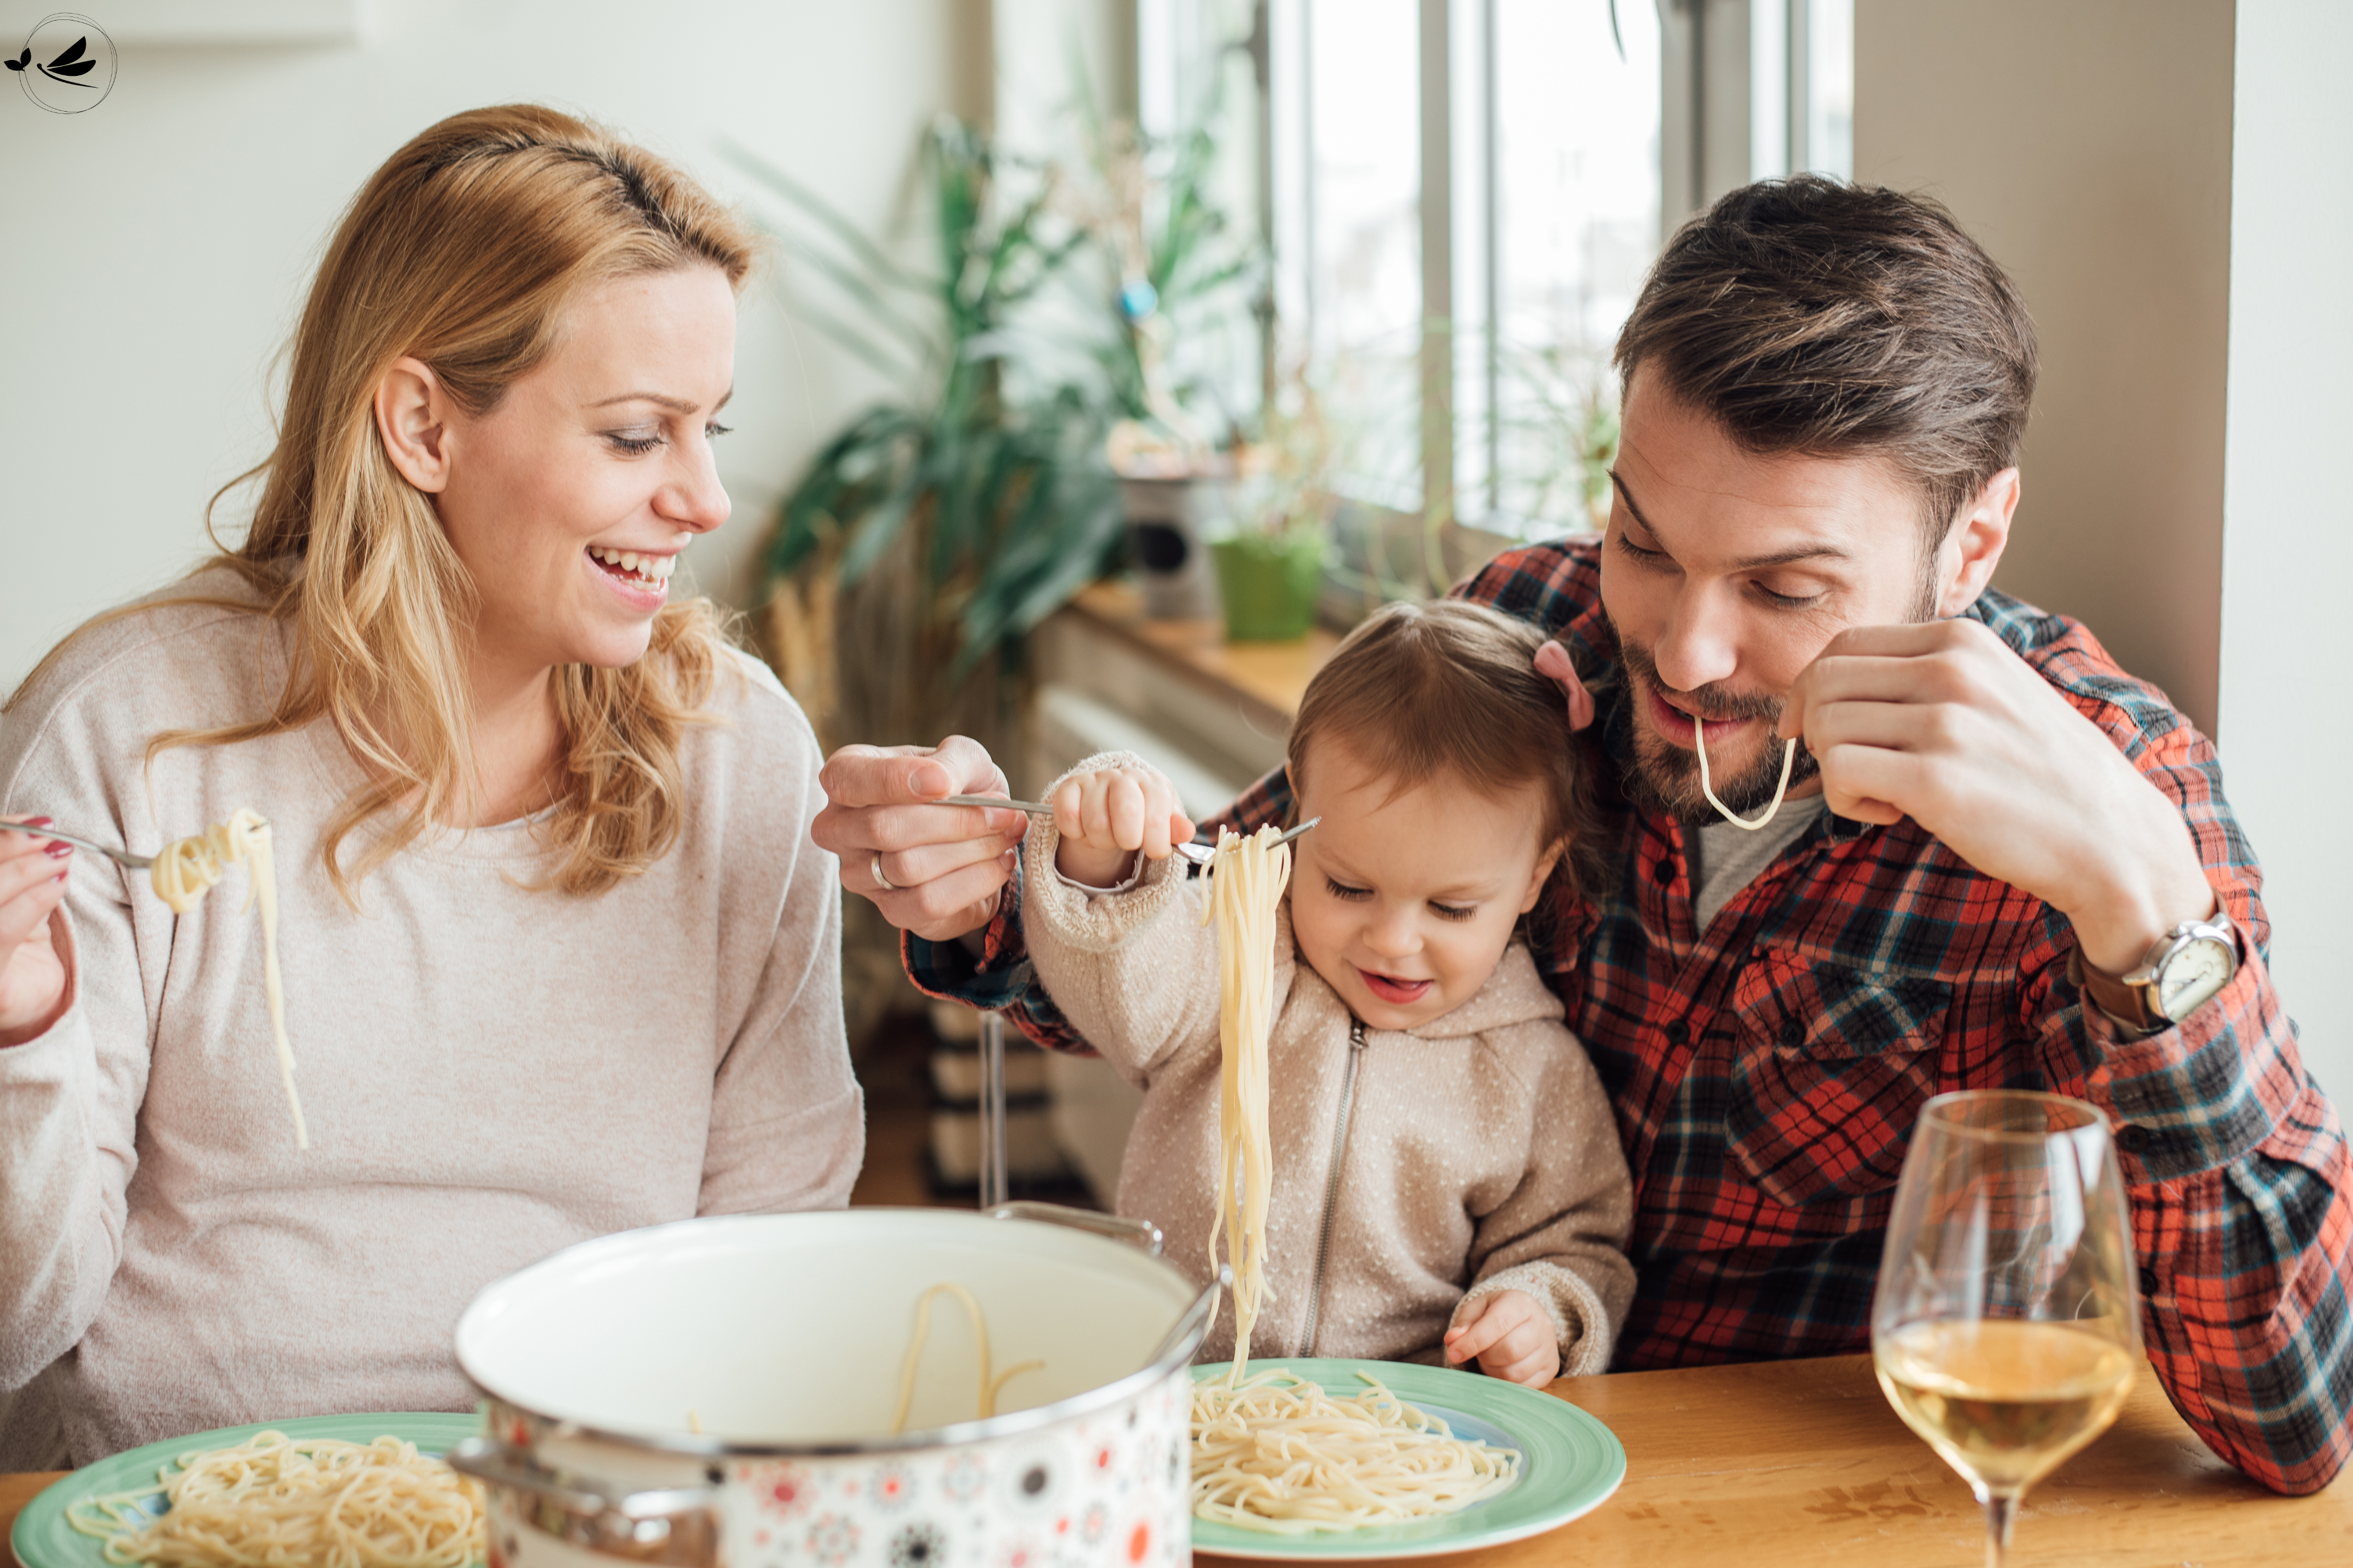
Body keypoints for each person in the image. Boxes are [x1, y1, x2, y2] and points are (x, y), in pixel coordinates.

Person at [815, 178, 2353, 1495]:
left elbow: (2293, 1419)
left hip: (1772, 1502)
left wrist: (2146, 907)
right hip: (1421, 1459)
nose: (1684, 650)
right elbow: (1237, 927)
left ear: (1976, 539)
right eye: (1643, 540)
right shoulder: (1525, 635)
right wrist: (994, 875)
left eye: (1786, 588)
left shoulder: (2108, 791)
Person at [0, 105, 862, 1468]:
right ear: (421, 425)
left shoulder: (740, 756)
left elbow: (769, 1269)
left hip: (590, 1507)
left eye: (710, 429)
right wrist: (22, 1034)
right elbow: (15, 1327)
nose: (705, 499)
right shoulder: (130, 733)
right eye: (640, 435)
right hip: (183, 1516)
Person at [1026, 600, 1632, 1385]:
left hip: (1397, 1432)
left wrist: (1538, 1309)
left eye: (1450, 908)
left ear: (1536, 877)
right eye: (1347, 886)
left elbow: (1573, 1242)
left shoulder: (1531, 1069)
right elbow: (1116, 985)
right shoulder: (1230, 963)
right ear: (1293, 823)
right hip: (1172, 1394)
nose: (1393, 939)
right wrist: (1104, 859)